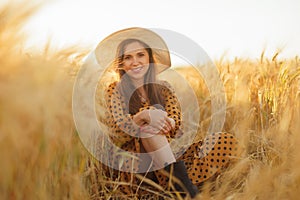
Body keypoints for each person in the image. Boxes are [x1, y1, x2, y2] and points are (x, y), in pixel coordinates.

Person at [95, 27, 240, 199]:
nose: (135, 62)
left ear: (149, 58)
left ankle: (174, 187)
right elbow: (116, 130)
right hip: (136, 166)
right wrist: (143, 116)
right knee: (148, 128)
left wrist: (168, 123)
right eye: (128, 57)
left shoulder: (164, 89)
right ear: (122, 64)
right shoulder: (115, 90)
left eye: (140, 55)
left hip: (167, 158)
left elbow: (176, 123)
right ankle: (186, 191)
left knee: (224, 141)